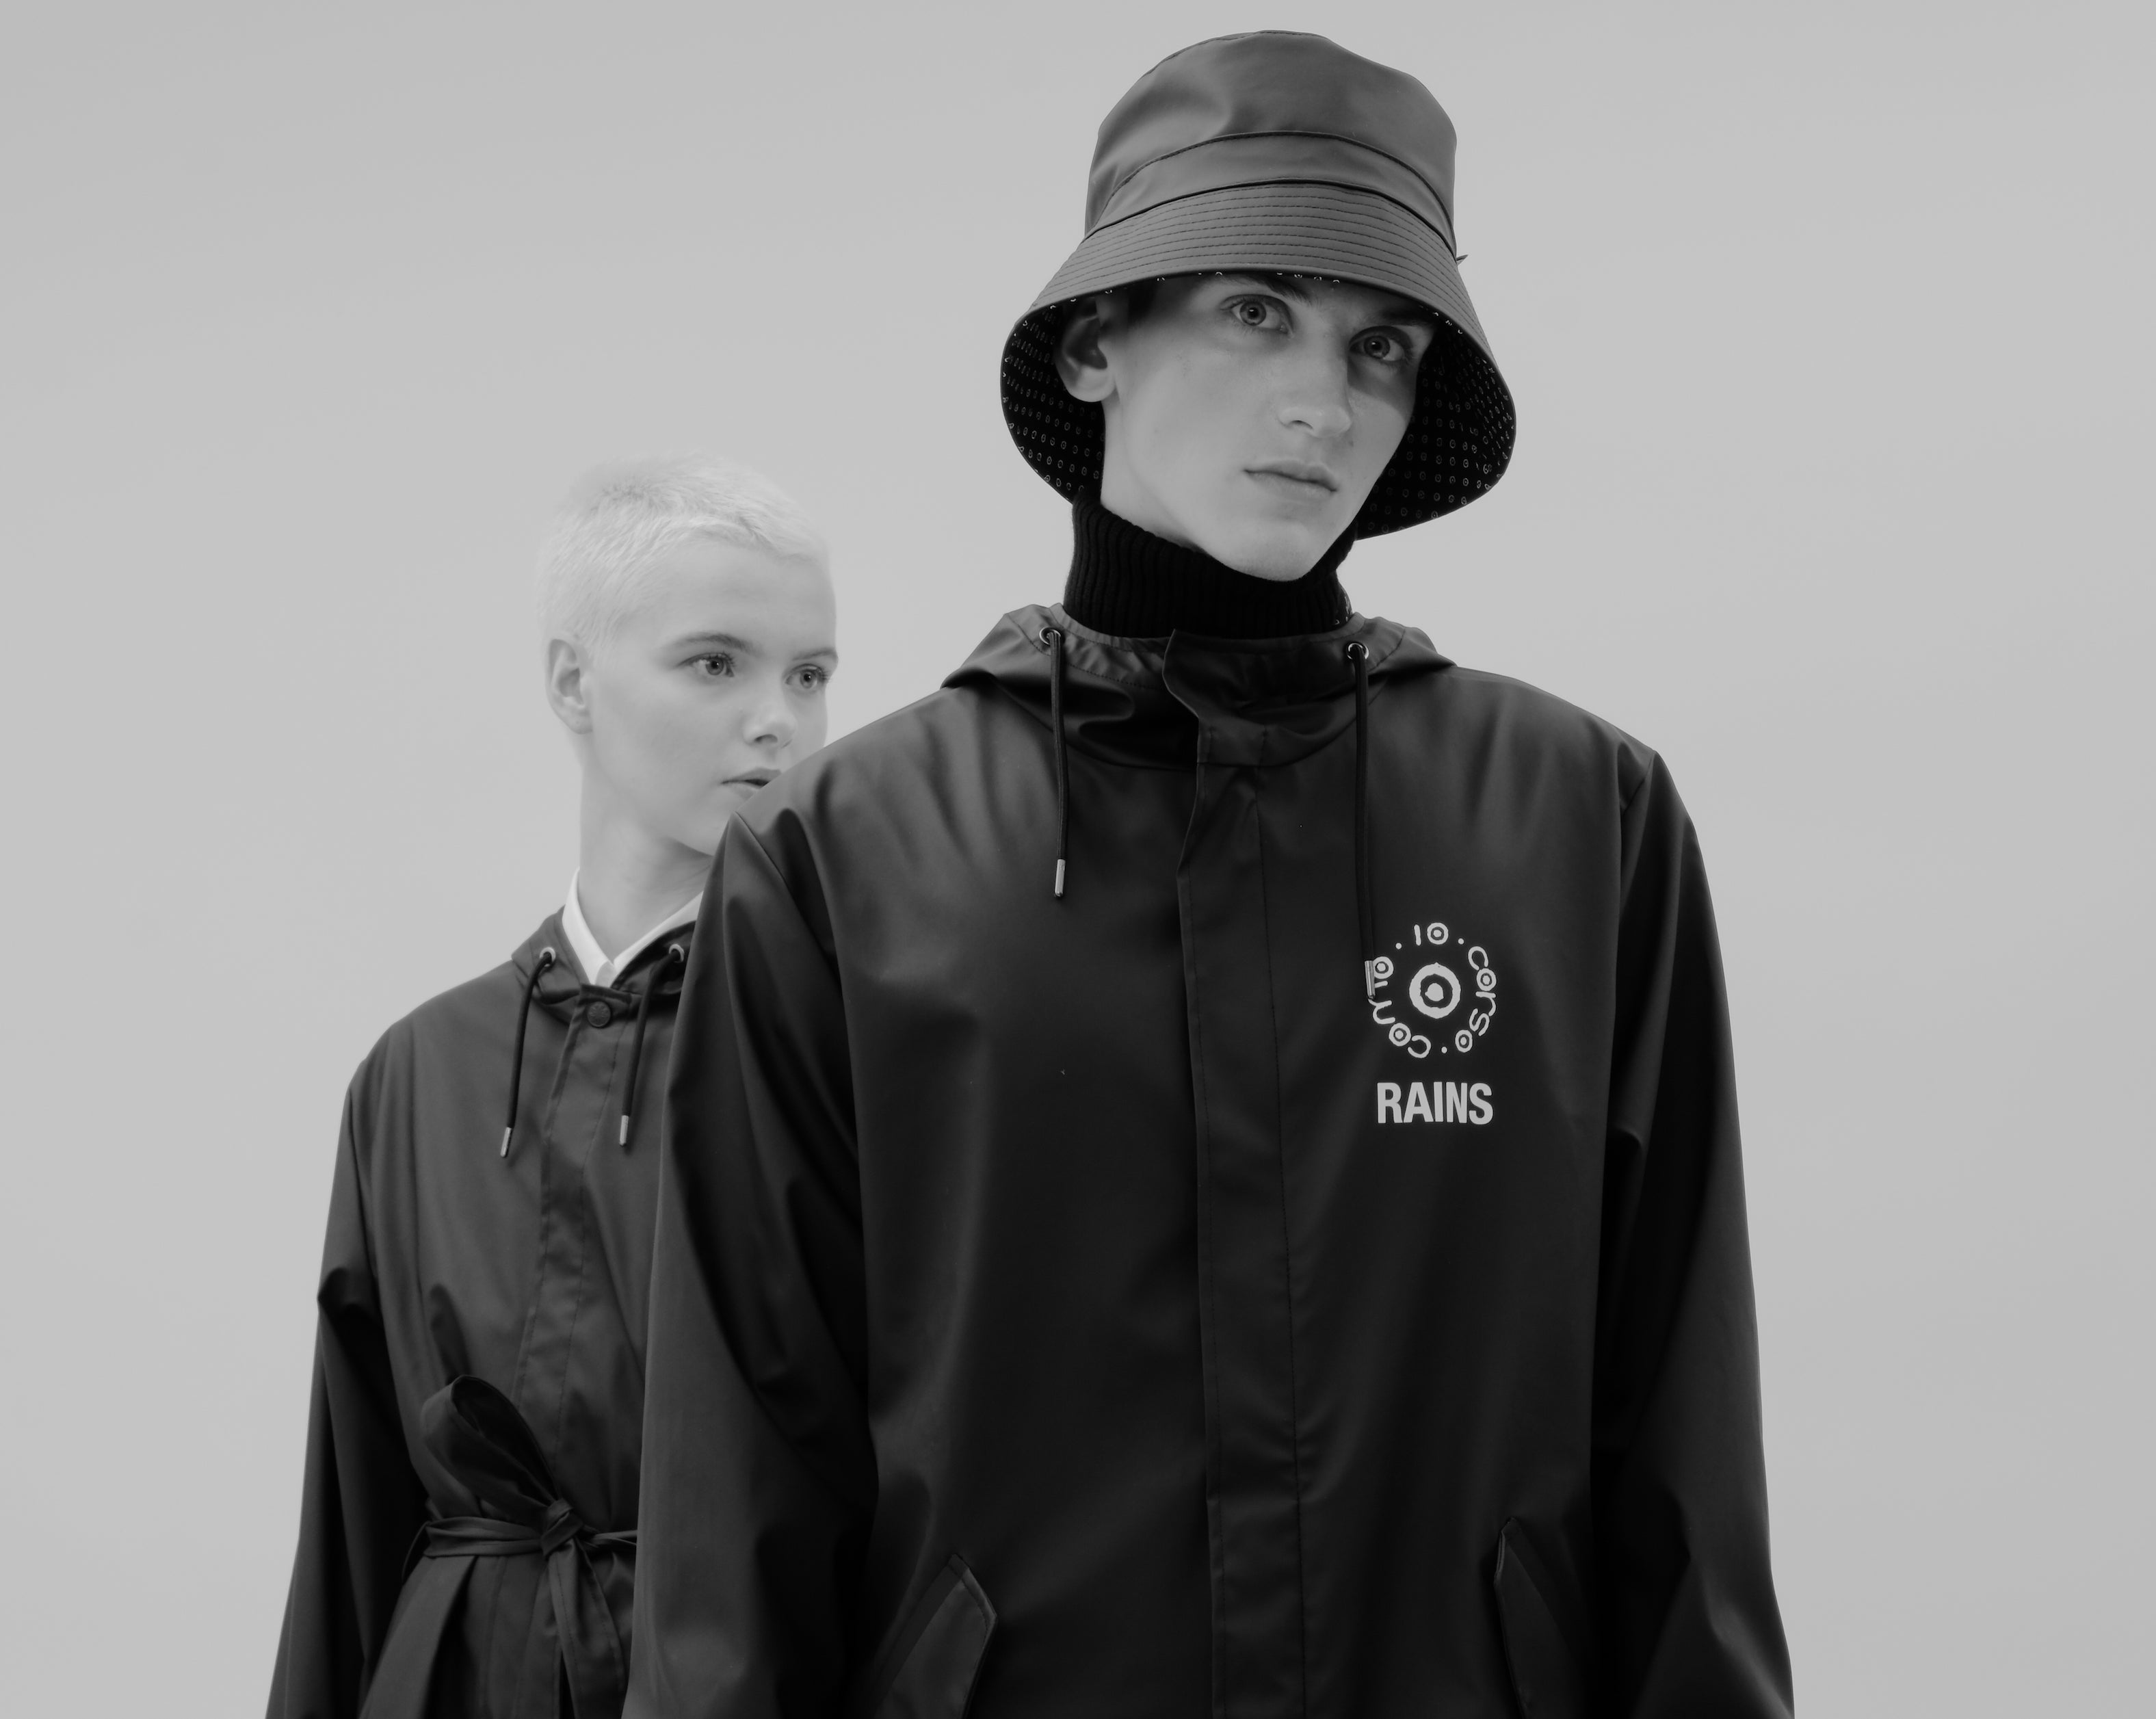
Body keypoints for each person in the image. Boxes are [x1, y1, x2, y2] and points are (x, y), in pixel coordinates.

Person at [631, 31, 1791, 1719]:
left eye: (1381, 345)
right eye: (1258, 310)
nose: (1325, 401)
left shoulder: (1573, 821)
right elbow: (742, 1492)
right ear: (1095, 341)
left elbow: (1678, 1441)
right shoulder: (847, 853)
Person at [267, 455, 839, 1719]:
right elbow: (353, 1510)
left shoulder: (849, 1049)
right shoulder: (419, 1071)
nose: (780, 722)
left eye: (810, 674)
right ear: (574, 681)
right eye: (716, 663)